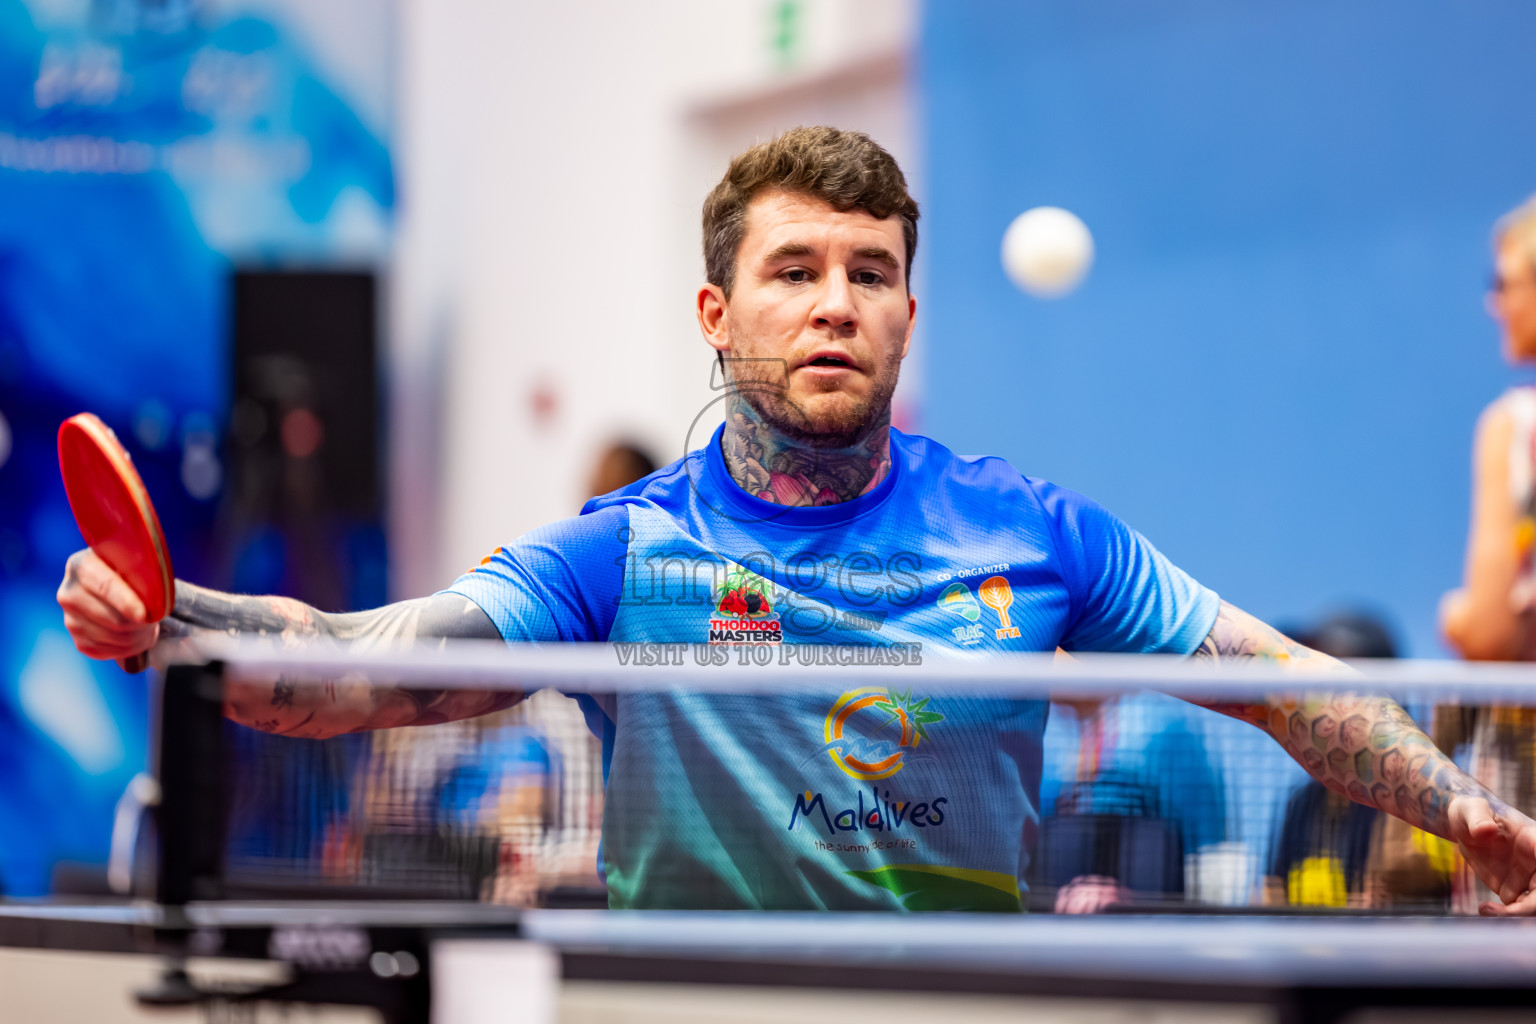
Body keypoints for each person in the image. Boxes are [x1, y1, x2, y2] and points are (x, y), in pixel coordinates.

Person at [60, 127, 1536, 914]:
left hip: (960, 1005)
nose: (835, 300)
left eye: (870, 270)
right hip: (682, 996)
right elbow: (365, 663)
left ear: (908, 309)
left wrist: (1456, 809)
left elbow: (1277, 687)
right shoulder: (625, 548)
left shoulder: (1038, 533)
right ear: (718, 312)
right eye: (795, 269)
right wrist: (170, 620)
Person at [1442, 195, 1536, 660]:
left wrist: (1457, 616)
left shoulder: (1516, 428)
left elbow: (1491, 635)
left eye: (1503, 283)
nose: (1494, 302)